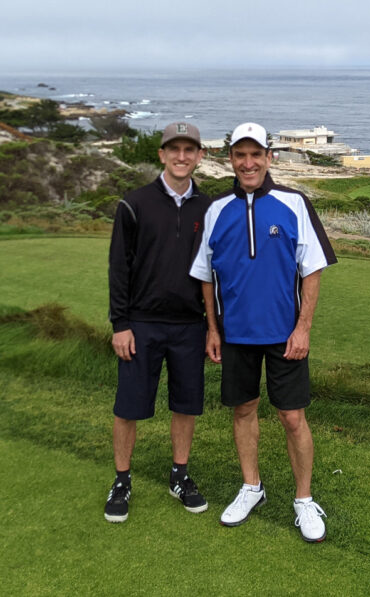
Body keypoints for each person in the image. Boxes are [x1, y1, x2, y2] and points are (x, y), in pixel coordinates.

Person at [189, 122, 337, 542]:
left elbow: (312, 270)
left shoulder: (293, 203)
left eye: (256, 154)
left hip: (284, 335)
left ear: (270, 157)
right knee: (243, 410)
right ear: (230, 159)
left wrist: (303, 328)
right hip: (235, 335)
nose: (248, 162)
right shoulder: (216, 209)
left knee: (292, 417)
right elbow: (205, 275)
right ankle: (252, 487)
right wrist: (212, 330)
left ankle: (304, 499)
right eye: (240, 155)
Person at [104, 121, 212, 523]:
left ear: (200, 156)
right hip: (142, 324)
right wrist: (120, 324)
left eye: (190, 150)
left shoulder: (210, 208)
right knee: (128, 407)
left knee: (186, 406)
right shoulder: (134, 203)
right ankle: (121, 480)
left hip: (189, 325)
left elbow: (215, 272)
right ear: (161, 155)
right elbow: (119, 269)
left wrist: (212, 329)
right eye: (174, 149)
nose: (182, 157)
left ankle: (179, 475)